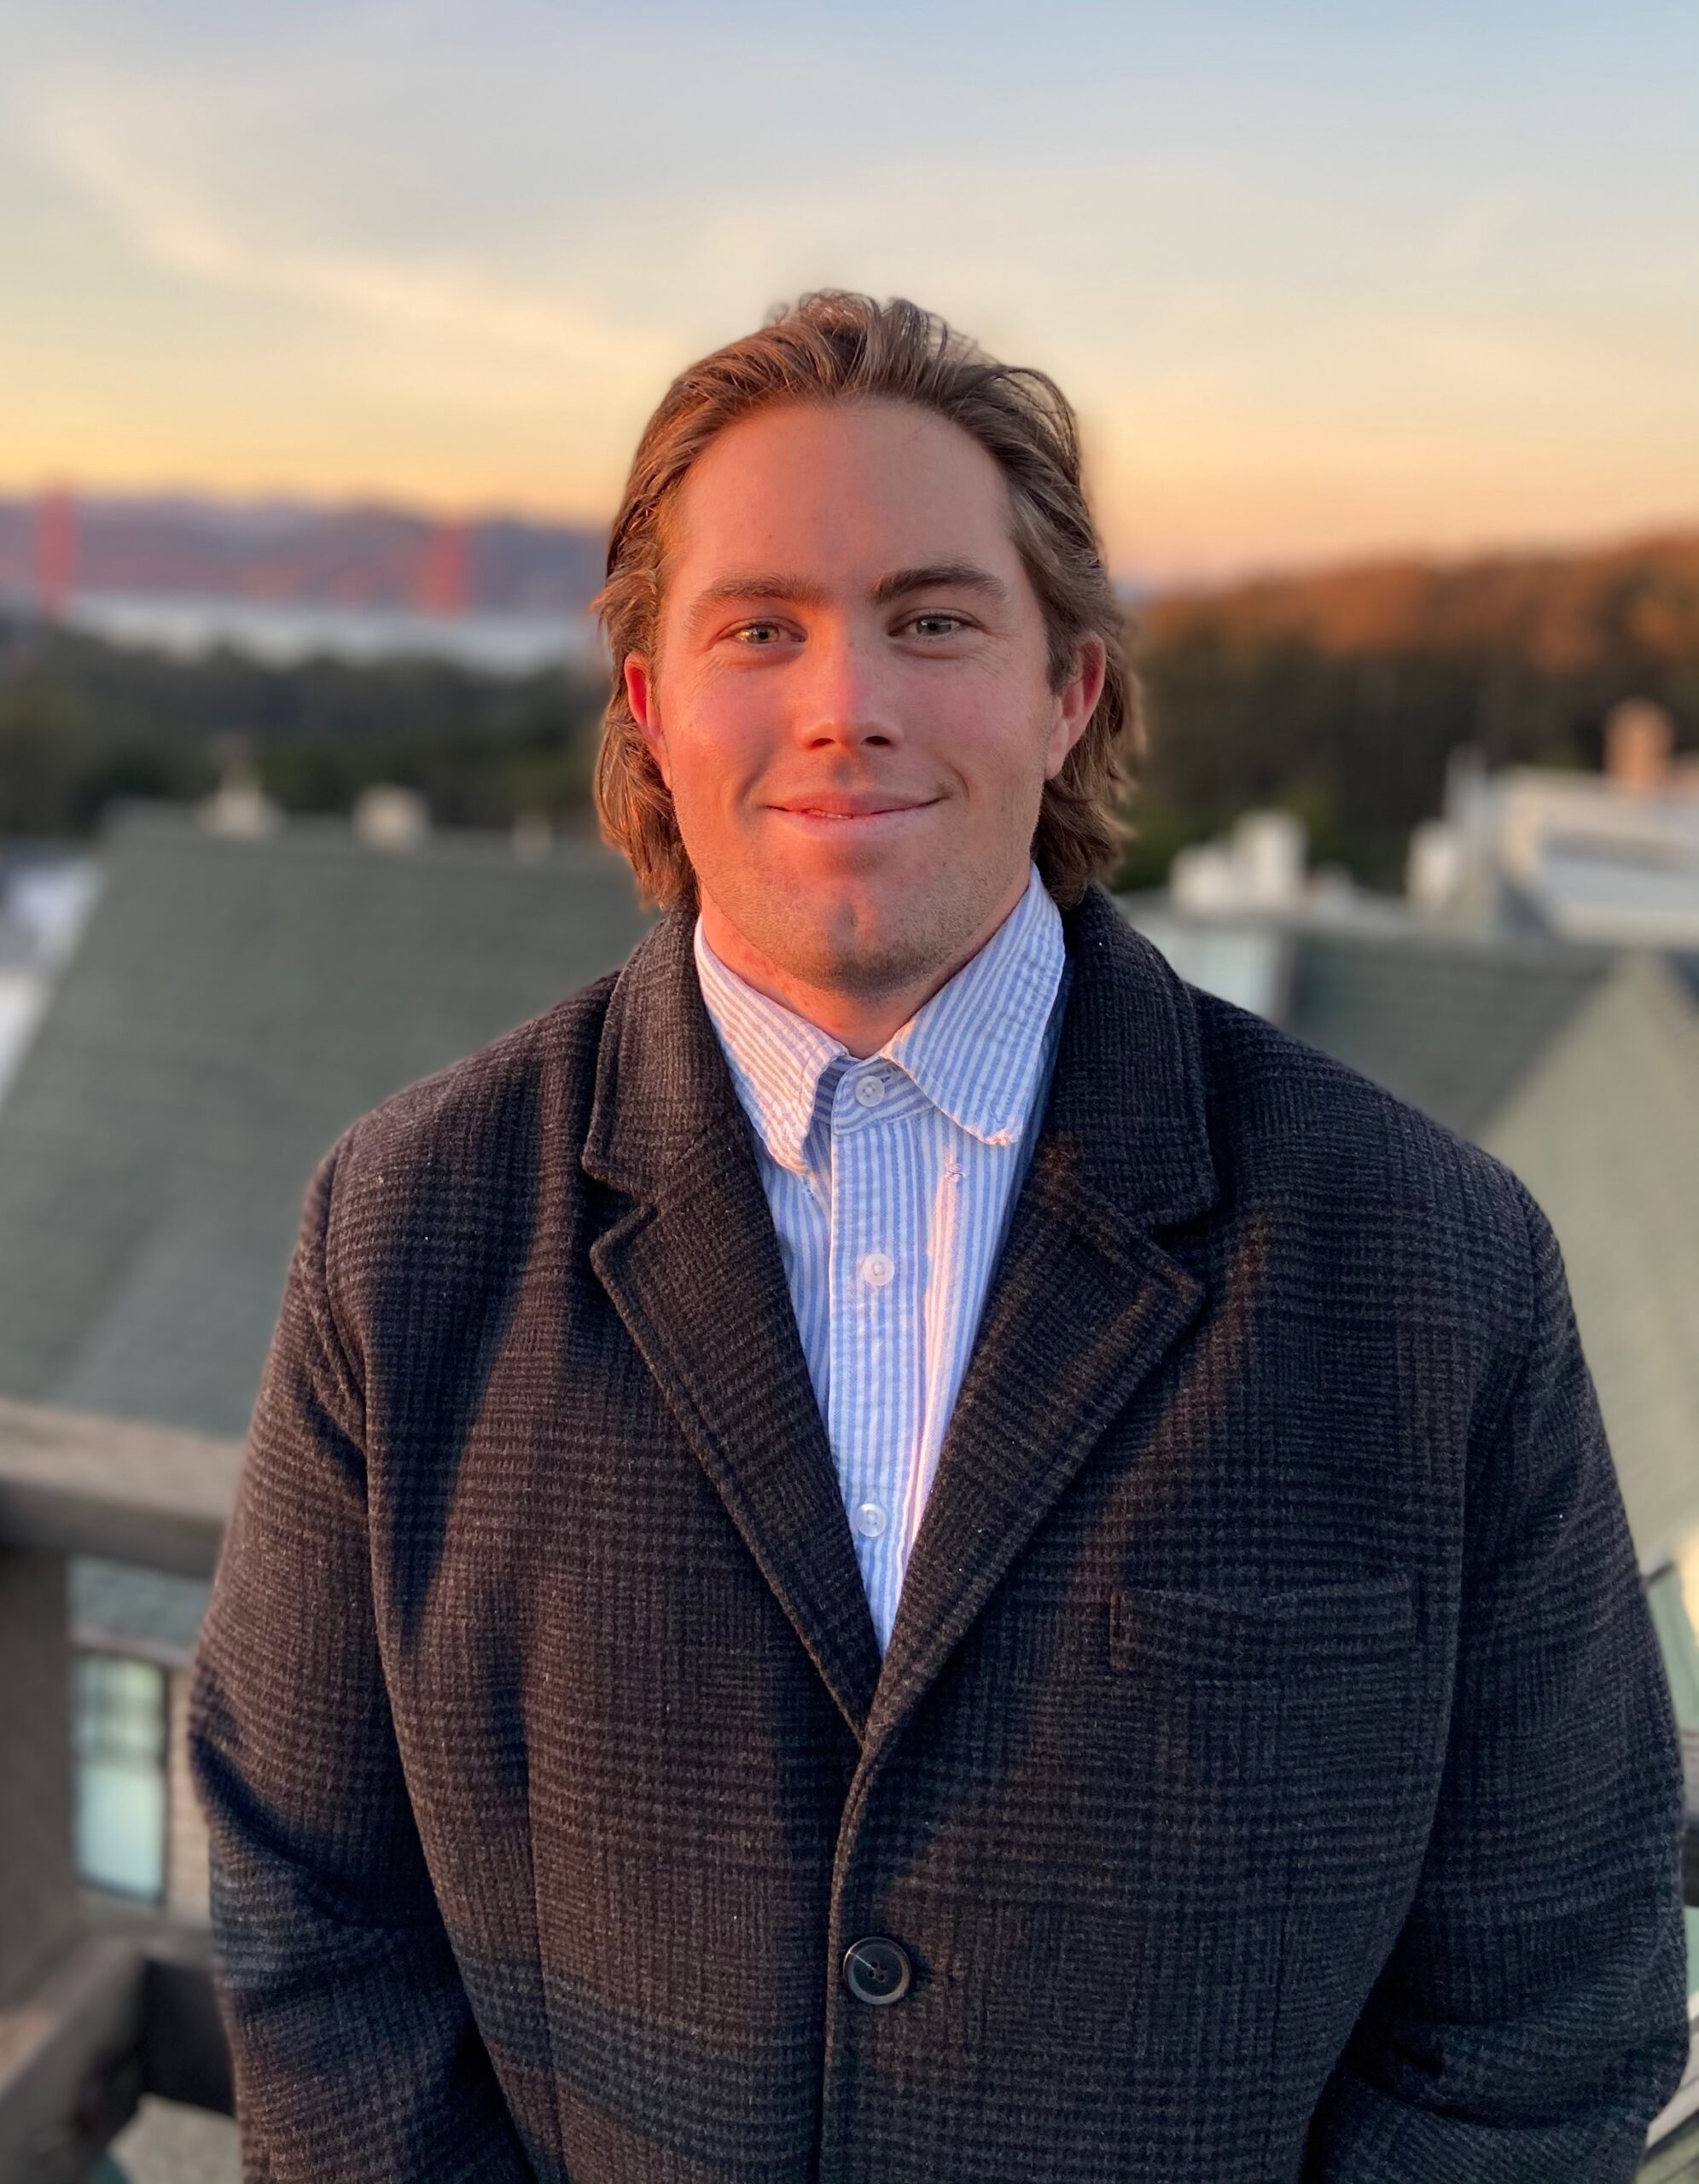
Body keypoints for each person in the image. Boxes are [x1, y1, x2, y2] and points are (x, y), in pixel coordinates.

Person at [189, 291, 1689, 2184]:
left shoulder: (1427, 1262)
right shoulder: (405, 1232)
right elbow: (312, 1921)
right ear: (650, 705)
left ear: (1069, 687)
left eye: (931, 617)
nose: (846, 702)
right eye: (760, 627)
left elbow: (1554, 1995)